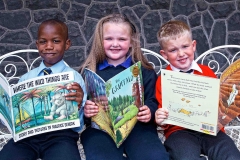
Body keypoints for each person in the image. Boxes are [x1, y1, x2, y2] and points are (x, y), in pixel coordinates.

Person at [79, 14, 169, 160]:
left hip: (139, 128)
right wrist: (86, 111)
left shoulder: (145, 71)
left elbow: (153, 101)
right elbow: (79, 108)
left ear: (132, 42)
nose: (115, 44)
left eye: (122, 39)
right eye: (109, 39)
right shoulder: (88, 72)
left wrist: (149, 111)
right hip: (101, 131)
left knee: (155, 157)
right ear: (100, 41)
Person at [0, 19, 87, 160]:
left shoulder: (74, 79)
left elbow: (78, 127)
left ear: (67, 44)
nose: (48, 46)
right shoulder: (26, 78)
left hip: (61, 138)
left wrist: (78, 106)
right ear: (37, 44)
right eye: (43, 42)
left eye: (56, 41)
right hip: (26, 139)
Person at [155, 20, 240, 160]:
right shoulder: (163, 80)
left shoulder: (207, 72)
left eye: (185, 46)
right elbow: (163, 119)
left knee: (231, 155)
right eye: (173, 50)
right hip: (179, 132)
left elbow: (221, 105)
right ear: (164, 54)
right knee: (185, 157)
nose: (181, 53)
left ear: (193, 46)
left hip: (211, 131)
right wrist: (160, 118)